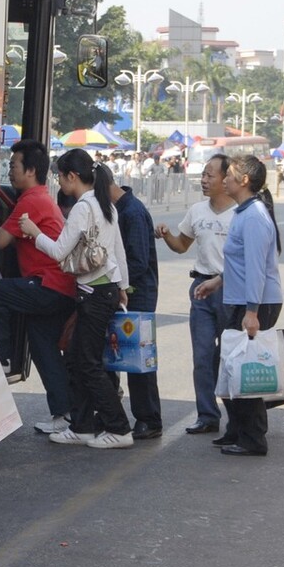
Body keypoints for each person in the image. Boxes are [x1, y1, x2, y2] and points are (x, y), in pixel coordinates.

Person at [19, 148, 133, 449]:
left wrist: (33, 232)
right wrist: (123, 286)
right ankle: (81, 426)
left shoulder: (84, 207)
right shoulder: (104, 204)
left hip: (94, 294)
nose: (59, 182)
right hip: (104, 290)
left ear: (72, 176)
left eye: (60, 176)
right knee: (78, 360)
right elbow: (118, 251)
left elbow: (58, 252)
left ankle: (119, 428)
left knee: (88, 363)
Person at [192, 155, 282, 457]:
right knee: (230, 365)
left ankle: (253, 438)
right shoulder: (244, 212)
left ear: (244, 181)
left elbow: (257, 268)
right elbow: (238, 262)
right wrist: (216, 282)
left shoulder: (254, 215)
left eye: (229, 174)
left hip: (255, 302)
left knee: (245, 368)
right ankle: (236, 430)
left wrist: (252, 312)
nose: (224, 179)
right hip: (240, 298)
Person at [0, 139, 76, 434]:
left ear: (31, 170)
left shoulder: (32, 200)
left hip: (49, 285)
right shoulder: (38, 197)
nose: (9, 171)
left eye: (13, 166)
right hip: (60, 286)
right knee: (43, 348)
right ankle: (66, 414)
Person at [155, 154, 234, 436]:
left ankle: (237, 416)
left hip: (229, 290)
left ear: (228, 179)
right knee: (202, 355)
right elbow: (181, 245)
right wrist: (166, 235)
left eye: (210, 175)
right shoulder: (197, 211)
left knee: (228, 355)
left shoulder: (240, 213)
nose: (204, 179)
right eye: (203, 174)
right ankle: (207, 415)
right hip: (201, 289)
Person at [108, 175, 161, 439]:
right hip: (123, 292)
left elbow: (137, 262)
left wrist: (118, 283)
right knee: (116, 354)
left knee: (139, 359)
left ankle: (149, 419)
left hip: (137, 294)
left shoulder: (133, 212)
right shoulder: (119, 211)